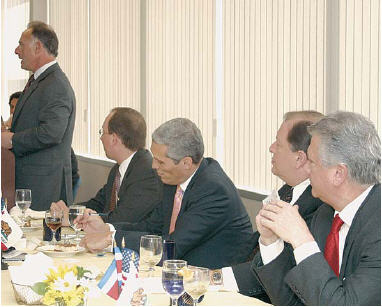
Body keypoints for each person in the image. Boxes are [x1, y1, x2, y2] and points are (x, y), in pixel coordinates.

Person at [78, 118, 254, 269]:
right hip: (178, 270)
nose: (154, 166)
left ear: (186, 163)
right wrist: (107, 227)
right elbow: (152, 227)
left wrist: (111, 239)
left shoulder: (213, 190)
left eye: (160, 161)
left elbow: (171, 246)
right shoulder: (173, 179)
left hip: (213, 282)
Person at [252, 111, 380, 305]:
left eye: (311, 162)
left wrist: (301, 239)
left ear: (338, 173)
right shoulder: (325, 215)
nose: (307, 169)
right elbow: (293, 301)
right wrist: (271, 242)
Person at [223, 110, 324, 301]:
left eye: (278, 143)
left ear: (300, 158)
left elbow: (282, 268)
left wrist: (216, 279)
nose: (271, 148)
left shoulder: (319, 204)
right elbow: (253, 250)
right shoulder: (288, 191)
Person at [1, 21, 76, 211]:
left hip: (44, 189)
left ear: (37, 47)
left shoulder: (55, 84)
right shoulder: (40, 80)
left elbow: (52, 132)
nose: (16, 51)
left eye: (21, 45)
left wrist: (13, 140)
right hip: (32, 185)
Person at [52, 108, 162, 224]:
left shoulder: (146, 172)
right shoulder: (119, 169)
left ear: (114, 139)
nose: (100, 138)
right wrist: (69, 211)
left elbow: (122, 219)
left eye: (102, 132)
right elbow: (98, 204)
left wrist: (73, 218)